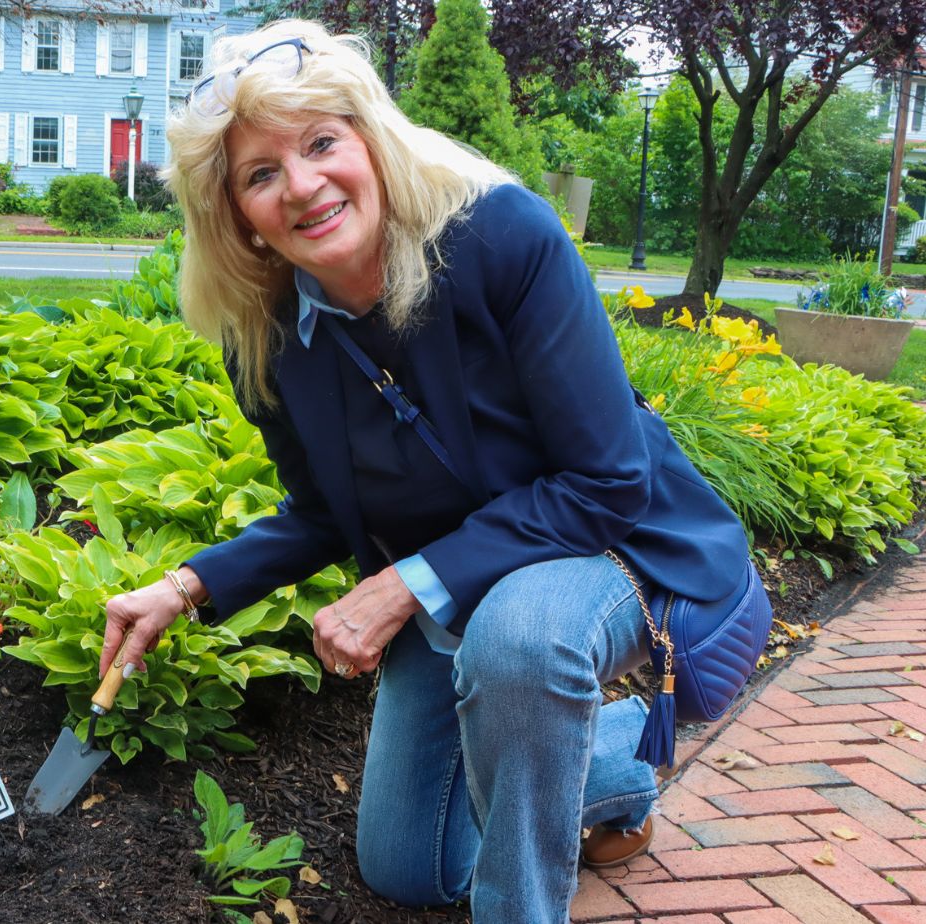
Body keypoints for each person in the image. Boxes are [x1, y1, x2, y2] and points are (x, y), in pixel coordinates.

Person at [95, 19, 755, 923]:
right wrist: (187, 586)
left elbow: (605, 483)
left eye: (322, 143)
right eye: (260, 173)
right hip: (453, 593)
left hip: (615, 548)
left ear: (371, 140)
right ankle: (613, 758)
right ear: (236, 217)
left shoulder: (501, 238)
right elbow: (326, 511)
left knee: (520, 642)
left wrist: (407, 582)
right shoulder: (271, 339)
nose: (303, 185)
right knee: (410, 867)